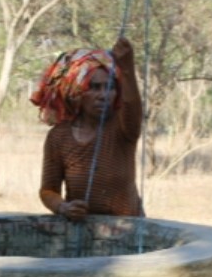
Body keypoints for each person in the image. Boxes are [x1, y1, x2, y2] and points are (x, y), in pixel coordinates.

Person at [30, 37, 143, 221]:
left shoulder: (122, 127)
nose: (103, 95)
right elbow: (48, 190)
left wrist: (127, 69)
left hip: (127, 228)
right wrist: (63, 207)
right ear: (75, 92)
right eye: (94, 87)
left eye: (110, 87)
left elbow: (132, 107)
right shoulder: (59, 136)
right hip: (82, 231)